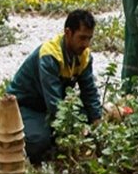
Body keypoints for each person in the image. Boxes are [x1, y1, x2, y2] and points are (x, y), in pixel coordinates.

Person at [6, 10, 101, 164]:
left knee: (89, 120)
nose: (86, 44)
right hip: (25, 106)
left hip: (47, 107)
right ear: (68, 33)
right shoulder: (49, 56)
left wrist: (97, 123)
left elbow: (89, 92)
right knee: (39, 141)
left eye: (89, 38)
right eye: (82, 38)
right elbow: (54, 103)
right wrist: (76, 132)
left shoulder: (84, 56)